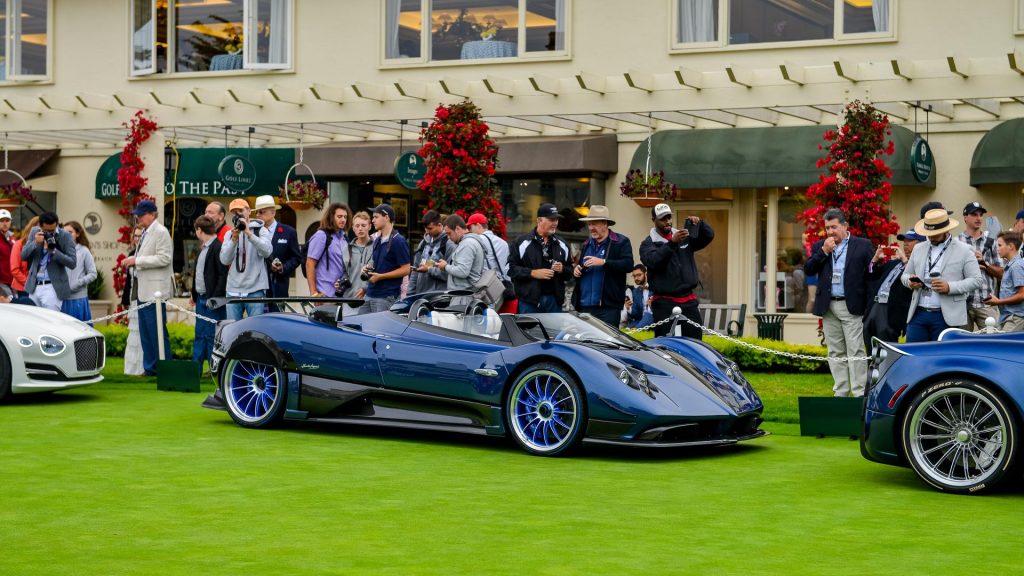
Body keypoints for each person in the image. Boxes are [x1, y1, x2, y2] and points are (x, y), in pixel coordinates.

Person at [803, 209, 873, 398]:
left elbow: (871, 275)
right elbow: (809, 269)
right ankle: (840, 392)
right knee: (835, 351)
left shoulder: (863, 245)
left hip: (851, 305)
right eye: (827, 228)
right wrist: (824, 251)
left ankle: (859, 393)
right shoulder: (821, 245)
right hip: (828, 306)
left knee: (856, 349)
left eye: (834, 227)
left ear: (845, 226)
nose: (830, 232)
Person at [902, 209, 983, 342]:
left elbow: (977, 280)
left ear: (946, 230)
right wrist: (910, 282)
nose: (930, 237)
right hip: (918, 313)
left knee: (941, 358)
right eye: (928, 234)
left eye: (934, 234)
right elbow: (905, 275)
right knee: (913, 356)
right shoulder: (918, 248)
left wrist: (950, 287)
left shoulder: (964, 250)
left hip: (946, 315)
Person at [639, 203, 714, 339]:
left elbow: (708, 237)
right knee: (665, 345)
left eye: (669, 217)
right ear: (653, 220)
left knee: (695, 342)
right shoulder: (648, 244)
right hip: (664, 303)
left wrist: (700, 224)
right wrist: (672, 243)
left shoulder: (683, 237)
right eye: (663, 219)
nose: (667, 222)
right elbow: (653, 261)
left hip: (688, 300)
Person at [121, 200, 173, 376]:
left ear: (152, 214)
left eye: (142, 215)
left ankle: (164, 368)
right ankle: (150, 368)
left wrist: (137, 261)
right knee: (146, 333)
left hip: (155, 290)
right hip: (144, 289)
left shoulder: (161, 232)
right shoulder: (145, 232)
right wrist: (134, 261)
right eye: (138, 215)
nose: (139, 218)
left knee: (156, 331)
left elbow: (165, 258)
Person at [570, 205, 633, 327]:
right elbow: (583, 267)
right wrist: (577, 270)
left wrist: (603, 262)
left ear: (605, 224)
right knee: (586, 344)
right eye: (589, 224)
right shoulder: (586, 244)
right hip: (584, 306)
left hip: (608, 308)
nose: (591, 228)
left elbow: (628, 265)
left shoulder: (620, 241)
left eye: (595, 224)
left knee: (607, 344)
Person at [508, 203, 572, 314]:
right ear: (539, 220)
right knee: (527, 331)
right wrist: (532, 273)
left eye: (556, 220)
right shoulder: (521, 242)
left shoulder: (563, 244)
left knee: (553, 332)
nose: (555, 223)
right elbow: (510, 269)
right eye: (551, 219)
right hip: (529, 302)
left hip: (554, 301)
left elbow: (570, 272)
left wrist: (562, 269)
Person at [863, 229, 921, 348]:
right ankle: (872, 367)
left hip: (891, 313)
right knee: (870, 348)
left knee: (886, 351)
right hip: (875, 306)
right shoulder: (894, 263)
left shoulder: (919, 264)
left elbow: (916, 280)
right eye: (904, 241)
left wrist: (905, 260)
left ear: (921, 243)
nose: (905, 244)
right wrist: (875, 259)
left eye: (910, 241)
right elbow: (870, 274)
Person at [220, 198, 272, 320]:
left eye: (240, 210)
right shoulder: (229, 234)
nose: (237, 215)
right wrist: (234, 240)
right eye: (234, 212)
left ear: (249, 211)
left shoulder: (261, 230)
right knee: (233, 330)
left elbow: (267, 252)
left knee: (255, 329)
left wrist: (249, 234)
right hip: (233, 290)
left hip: (255, 290)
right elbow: (224, 260)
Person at [190, 215, 227, 371]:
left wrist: (214, 299)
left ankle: (215, 372)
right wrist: (194, 294)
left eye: (196, 230)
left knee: (213, 337)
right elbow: (198, 274)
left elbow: (222, 275)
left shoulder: (218, 247)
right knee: (199, 336)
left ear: (199, 230)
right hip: (200, 299)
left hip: (212, 301)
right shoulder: (203, 248)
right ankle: (194, 373)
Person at [359, 203, 411, 313]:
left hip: (386, 296)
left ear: (386, 218)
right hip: (370, 293)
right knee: (360, 327)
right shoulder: (377, 240)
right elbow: (380, 264)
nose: (372, 220)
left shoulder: (399, 241)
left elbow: (406, 269)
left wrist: (381, 276)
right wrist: (368, 268)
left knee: (379, 330)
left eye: (376, 217)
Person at [957, 202, 1001, 330]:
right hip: (963, 303)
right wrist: (969, 266)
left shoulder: (992, 241)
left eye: (981, 215)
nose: (979, 218)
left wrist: (985, 264)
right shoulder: (956, 242)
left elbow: (1002, 273)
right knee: (962, 345)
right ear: (965, 217)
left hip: (987, 302)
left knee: (993, 344)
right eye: (974, 214)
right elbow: (950, 273)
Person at [21, 211, 77, 311]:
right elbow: (23, 255)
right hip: (34, 286)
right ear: (40, 227)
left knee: (51, 323)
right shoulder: (35, 232)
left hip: (52, 287)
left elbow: (72, 263)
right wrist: (35, 243)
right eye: (47, 231)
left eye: (53, 230)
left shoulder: (65, 236)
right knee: (33, 322)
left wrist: (54, 252)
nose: (51, 233)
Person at [255, 195, 301, 307]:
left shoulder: (288, 232)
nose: (257, 215)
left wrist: (282, 268)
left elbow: (296, 258)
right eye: (257, 212)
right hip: (256, 287)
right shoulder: (253, 232)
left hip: (278, 285)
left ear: (273, 212)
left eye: (261, 212)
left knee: (277, 321)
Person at [467, 212, 513, 311]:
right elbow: (507, 267)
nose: (469, 231)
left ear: (478, 225)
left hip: (485, 289)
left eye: (470, 227)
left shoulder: (476, 241)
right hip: (502, 288)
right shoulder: (503, 242)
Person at [437, 214, 484, 306]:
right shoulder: (468, 242)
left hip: (463, 298)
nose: (448, 237)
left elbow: (462, 271)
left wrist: (445, 266)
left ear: (457, 229)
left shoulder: (467, 244)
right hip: (465, 296)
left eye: (449, 233)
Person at [305, 202, 350, 298]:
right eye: (339, 216)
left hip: (342, 295)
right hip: (325, 294)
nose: (343, 220)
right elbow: (310, 264)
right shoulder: (321, 235)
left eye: (345, 217)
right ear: (331, 217)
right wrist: (314, 294)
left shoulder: (344, 238)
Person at [984, 231, 1024, 332]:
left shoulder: (1016, 266)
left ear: (1010, 246)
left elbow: (1022, 294)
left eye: (1000, 245)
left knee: (1003, 346)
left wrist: (998, 301)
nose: (997, 248)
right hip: (1007, 317)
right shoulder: (1010, 266)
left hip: (1016, 317)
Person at [408, 210, 451, 296]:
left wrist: (429, 269)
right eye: (425, 228)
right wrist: (410, 293)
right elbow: (415, 270)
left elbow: (450, 274)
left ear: (439, 225)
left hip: (439, 297)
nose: (427, 232)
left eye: (430, 228)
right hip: (420, 295)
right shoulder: (423, 243)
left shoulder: (448, 243)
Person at [61, 221, 98, 322]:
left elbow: (93, 273)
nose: (66, 235)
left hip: (77, 300)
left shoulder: (84, 251)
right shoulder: (59, 250)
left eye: (70, 232)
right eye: (64, 232)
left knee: (79, 333)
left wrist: (77, 284)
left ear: (77, 234)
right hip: (61, 299)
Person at [122, 225, 146, 376]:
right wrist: (125, 300)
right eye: (136, 236)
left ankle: (143, 368)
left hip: (144, 297)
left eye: (140, 236)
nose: (137, 239)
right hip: (133, 298)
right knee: (133, 333)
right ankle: (132, 369)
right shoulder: (131, 254)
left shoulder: (146, 255)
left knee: (142, 333)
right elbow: (128, 282)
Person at [342, 211, 373, 317]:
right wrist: (340, 282)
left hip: (370, 300)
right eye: (357, 226)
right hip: (350, 301)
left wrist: (366, 287)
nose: (360, 228)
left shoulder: (377, 247)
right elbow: (343, 273)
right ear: (353, 228)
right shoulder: (346, 249)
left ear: (369, 226)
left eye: (363, 225)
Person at [10, 215, 39, 298]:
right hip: (23, 288)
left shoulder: (45, 245)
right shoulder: (19, 244)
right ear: (31, 228)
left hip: (41, 287)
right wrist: (29, 283)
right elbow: (15, 269)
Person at [624, 264, 654, 329]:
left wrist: (653, 306)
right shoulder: (635, 291)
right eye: (634, 276)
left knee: (634, 331)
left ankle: (637, 329)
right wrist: (629, 308)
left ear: (646, 274)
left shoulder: (655, 287)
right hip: (640, 320)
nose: (636, 278)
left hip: (654, 318)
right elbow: (637, 314)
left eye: (639, 275)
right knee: (625, 331)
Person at [0, 209, 13, 290]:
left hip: (13, 281)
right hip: (1, 283)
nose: (5, 223)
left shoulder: (13, 239)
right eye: (1, 221)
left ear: (10, 222)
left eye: (7, 220)